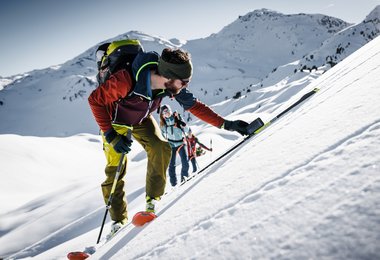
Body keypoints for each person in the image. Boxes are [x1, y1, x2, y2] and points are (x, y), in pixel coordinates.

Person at [88, 46, 251, 234]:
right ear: (169, 77)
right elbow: (95, 101)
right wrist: (110, 135)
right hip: (115, 122)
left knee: (161, 147)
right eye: (184, 82)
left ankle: (154, 200)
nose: (186, 86)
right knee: (116, 168)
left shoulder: (171, 86)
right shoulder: (125, 80)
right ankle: (117, 221)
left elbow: (195, 106)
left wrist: (227, 125)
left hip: (141, 118)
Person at [159, 104, 189, 186]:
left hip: (181, 143)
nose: (166, 114)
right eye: (164, 113)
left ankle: (184, 178)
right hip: (171, 145)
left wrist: (181, 124)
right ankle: (174, 184)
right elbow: (161, 135)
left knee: (185, 162)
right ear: (162, 115)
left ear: (170, 111)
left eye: (167, 111)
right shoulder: (163, 124)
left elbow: (186, 129)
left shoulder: (177, 118)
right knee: (171, 165)